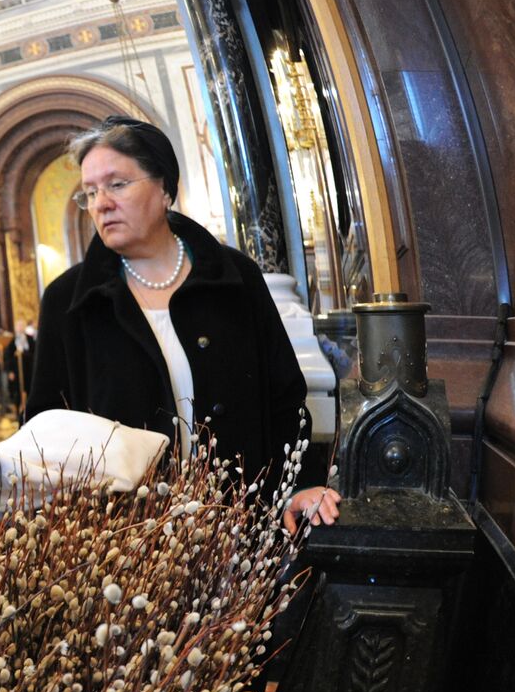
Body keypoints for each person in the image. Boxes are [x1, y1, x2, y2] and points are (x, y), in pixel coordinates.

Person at [26, 116, 339, 533]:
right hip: (125, 543)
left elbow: (283, 398)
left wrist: (299, 485)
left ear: (164, 188)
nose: (100, 203)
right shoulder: (68, 301)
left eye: (117, 184)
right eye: (89, 192)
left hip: (241, 528)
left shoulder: (236, 279)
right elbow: (45, 429)